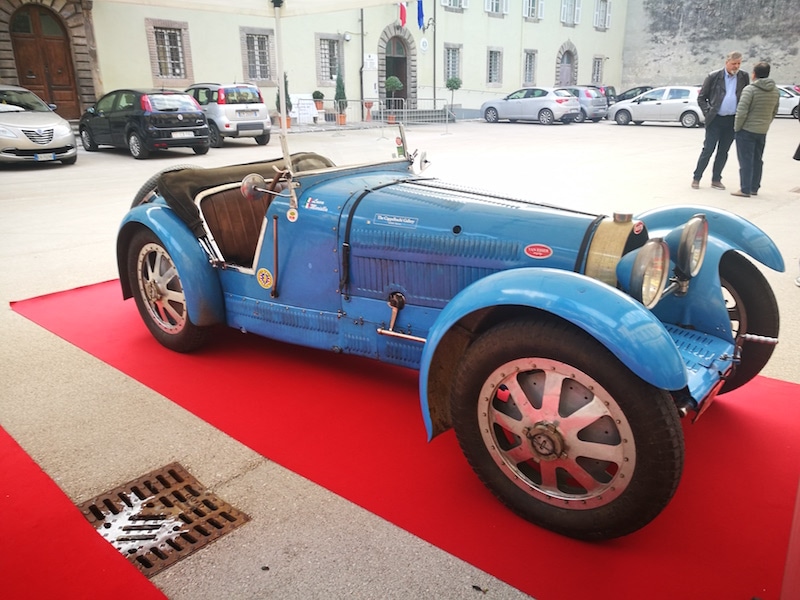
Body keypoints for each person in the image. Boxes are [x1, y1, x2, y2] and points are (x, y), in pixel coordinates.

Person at [692, 51, 750, 190]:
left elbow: (745, 96)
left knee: (723, 151)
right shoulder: (714, 76)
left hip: (732, 120)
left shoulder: (743, 77)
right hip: (715, 120)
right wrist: (708, 112)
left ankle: (716, 179)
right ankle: (697, 177)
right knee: (708, 149)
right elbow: (702, 98)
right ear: (726, 62)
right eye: (733, 63)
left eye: (738, 64)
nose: (736, 66)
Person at [731, 62, 779, 198]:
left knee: (745, 160)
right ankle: (754, 187)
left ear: (754, 74)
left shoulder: (750, 90)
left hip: (747, 130)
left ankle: (744, 189)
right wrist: (766, 123)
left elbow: (741, 112)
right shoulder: (775, 90)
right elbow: (774, 110)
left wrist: (737, 128)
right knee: (758, 159)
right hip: (762, 130)